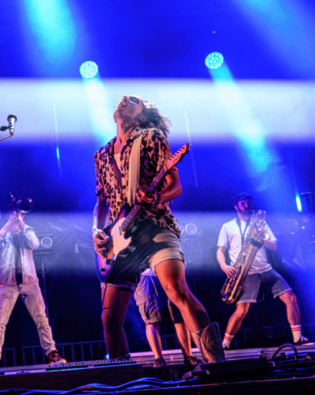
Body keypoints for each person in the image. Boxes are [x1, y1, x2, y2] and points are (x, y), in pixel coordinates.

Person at [93, 95, 225, 363]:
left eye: (133, 100)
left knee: (176, 290)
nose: (123, 99)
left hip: (154, 227)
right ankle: (123, 384)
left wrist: (154, 198)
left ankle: (217, 364)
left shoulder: (152, 138)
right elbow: (101, 202)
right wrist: (97, 231)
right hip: (119, 242)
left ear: (142, 116)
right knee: (110, 318)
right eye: (122, 98)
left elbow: (175, 186)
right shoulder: (101, 155)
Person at [217, 193, 311, 348]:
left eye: (249, 202)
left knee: (291, 298)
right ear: (236, 207)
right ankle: (225, 345)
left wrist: (260, 239)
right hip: (246, 271)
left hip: (266, 269)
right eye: (243, 203)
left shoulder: (260, 224)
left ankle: (297, 338)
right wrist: (224, 265)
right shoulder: (228, 226)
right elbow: (220, 250)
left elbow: (274, 246)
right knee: (242, 310)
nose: (247, 205)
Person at [0, 210, 66, 368]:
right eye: (13, 216)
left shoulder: (27, 233)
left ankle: (52, 353)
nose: (17, 218)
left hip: (30, 283)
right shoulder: (0, 234)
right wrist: (9, 224)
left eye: (19, 216)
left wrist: (22, 224)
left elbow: (35, 243)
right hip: (7, 284)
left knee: (41, 320)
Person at [134, 269, 199, 367]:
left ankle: (188, 356)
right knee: (151, 320)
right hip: (145, 274)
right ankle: (158, 358)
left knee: (178, 316)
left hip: (167, 270)